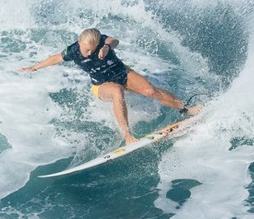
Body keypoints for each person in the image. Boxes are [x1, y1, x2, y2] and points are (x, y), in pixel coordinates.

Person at [20, 28, 200, 145]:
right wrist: (33, 67)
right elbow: (55, 58)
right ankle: (127, 136)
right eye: (86, 50)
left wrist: (106, 47)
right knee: (117, 91)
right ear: (79, 43)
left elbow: (114, 41)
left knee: (150, 91)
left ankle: (186, 109)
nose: (90, 53)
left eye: (93, 49)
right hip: (102, 85)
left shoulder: (103, 43)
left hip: (122, 73)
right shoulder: (74, 51)